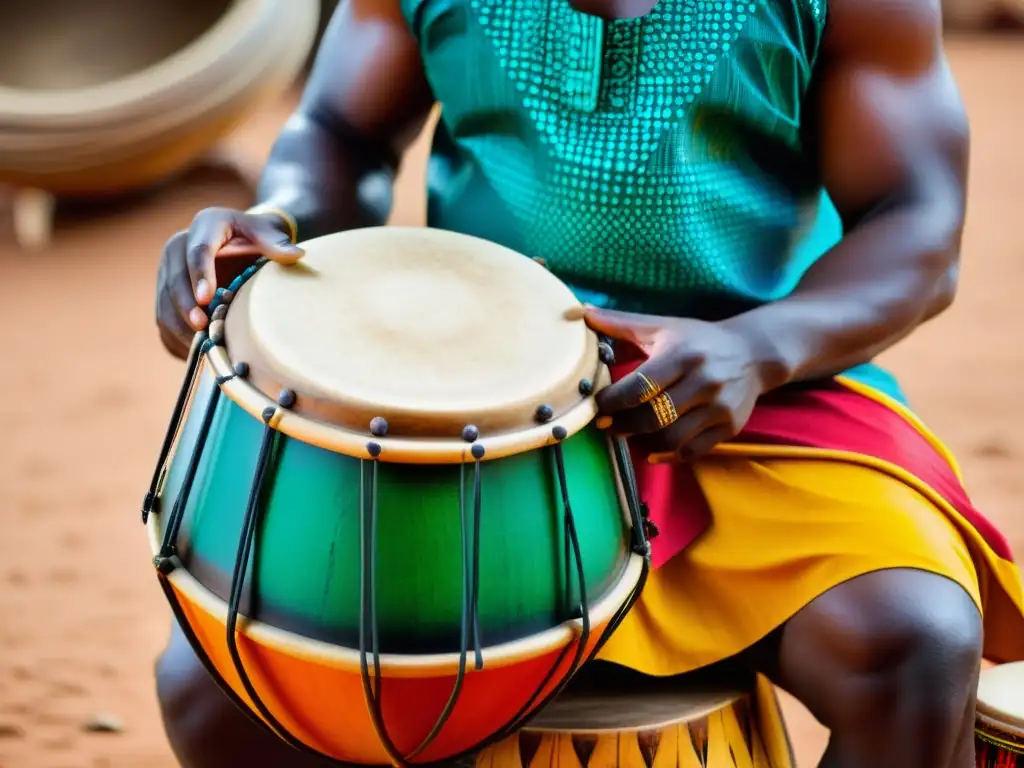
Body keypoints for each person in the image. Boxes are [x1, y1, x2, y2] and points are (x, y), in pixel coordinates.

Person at [153, 1, 1024, 766]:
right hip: (471, 408)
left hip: (762, 391)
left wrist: (758, 348)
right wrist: (281, 224)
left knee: (913, 644)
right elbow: (341, 129)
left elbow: (914, 220)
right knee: (219, 691)